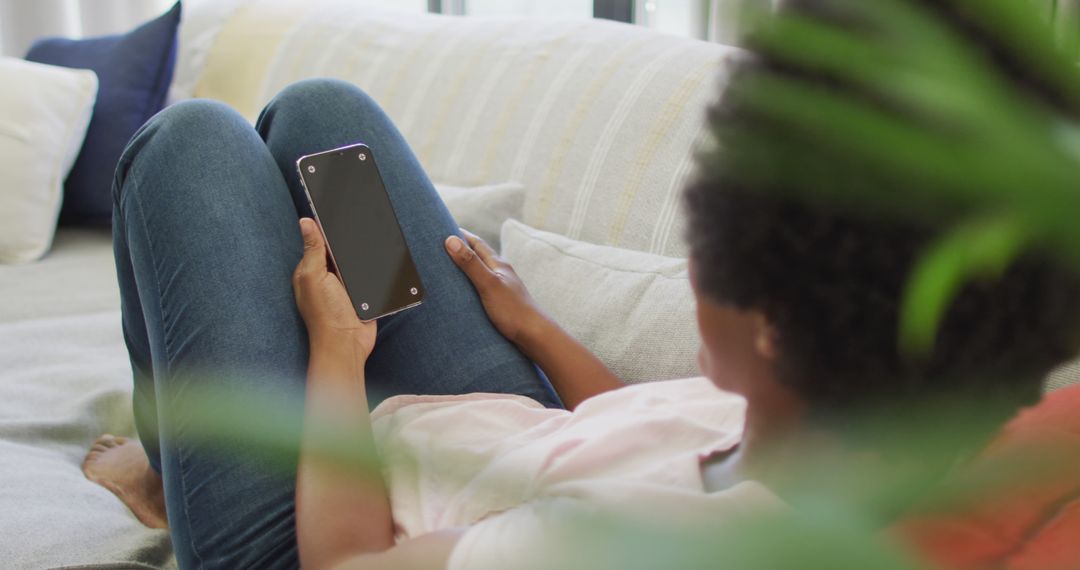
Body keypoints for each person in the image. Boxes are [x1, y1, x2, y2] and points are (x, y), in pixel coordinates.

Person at [82, 5, 1080, 569]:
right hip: (511, 426)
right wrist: (533, 324)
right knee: (323, 116)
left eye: (710, 240)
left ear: (770, 325)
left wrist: (339, 364)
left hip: (338, 519)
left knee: (190, 145)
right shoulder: (841, 426)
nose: (692, 260)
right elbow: (653, 434)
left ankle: (181, 479)